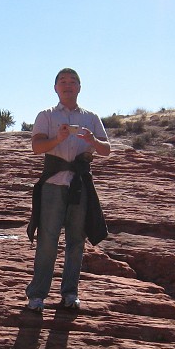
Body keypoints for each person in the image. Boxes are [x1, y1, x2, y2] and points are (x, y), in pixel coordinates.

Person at [25, 68, 110, 312]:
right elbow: (37, 147)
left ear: (79, 87)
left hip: (80, 184)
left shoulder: (91, 117)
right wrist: (58, 139)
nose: (68, 85)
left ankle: (70, 293)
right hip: (53, 184)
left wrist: (93, 141)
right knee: (47, 241)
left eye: (73, 81)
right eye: (63, 81)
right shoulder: (46, 115)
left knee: (76, 240)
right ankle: (37, 295)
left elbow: (106, 149)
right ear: (55, 88)